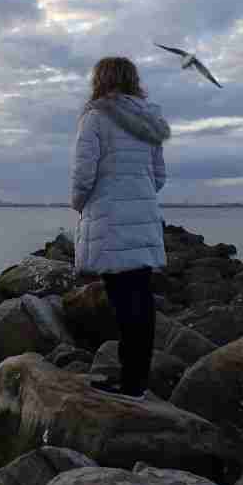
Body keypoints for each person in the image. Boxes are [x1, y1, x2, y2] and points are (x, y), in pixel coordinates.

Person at [71, 56, 170, 399]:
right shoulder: (148, 120)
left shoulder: (96, 117)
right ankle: (136, 380)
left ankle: (130, 385)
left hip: (111, 218)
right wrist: (137, 196)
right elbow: (159, 176)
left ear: (101, 81)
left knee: (123, 301)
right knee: (140, 298)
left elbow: (84, 172)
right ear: (133, 80)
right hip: (142, 217)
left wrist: (79, 202)